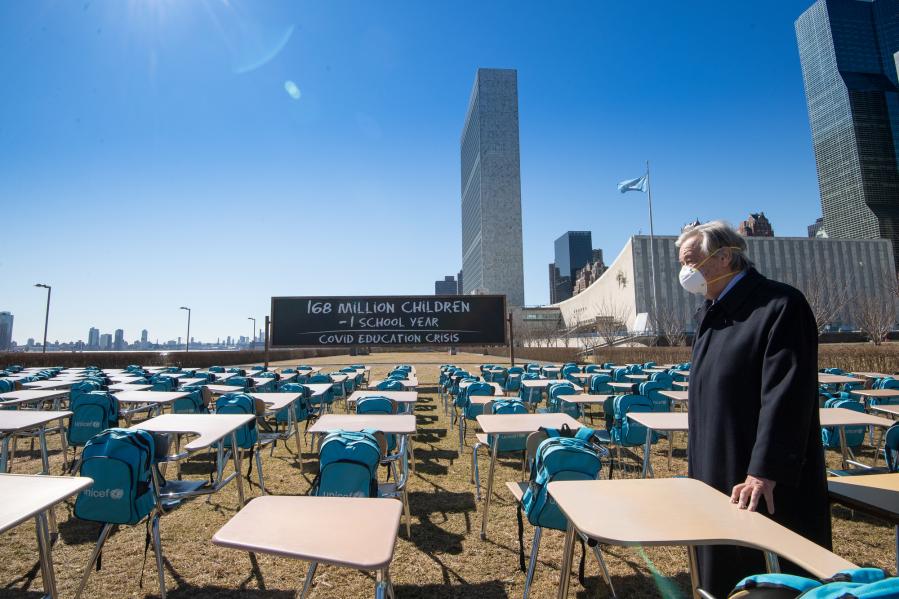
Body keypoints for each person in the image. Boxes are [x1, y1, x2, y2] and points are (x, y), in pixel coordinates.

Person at [676, 221, 830, 597]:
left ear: (725, 256)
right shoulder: (712, 313)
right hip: (713, 467)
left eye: (692, 260)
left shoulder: (778, 306)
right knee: (718, 573)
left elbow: (787, 396)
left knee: (765, 579)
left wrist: (764, 471)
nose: (685, 272)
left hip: (759, 481)